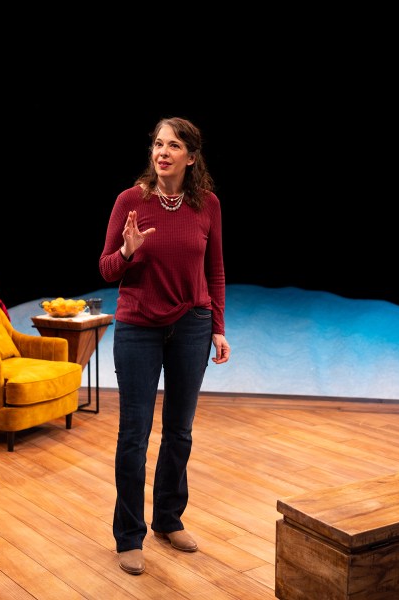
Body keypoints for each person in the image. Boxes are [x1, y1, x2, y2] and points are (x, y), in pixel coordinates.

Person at [99, 116, 231, 576]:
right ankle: (128, 536)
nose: (163, 152)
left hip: (192, 325)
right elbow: (106, 269)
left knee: (179, 431)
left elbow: (215, 271)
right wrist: (128, 250)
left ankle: (169, 519)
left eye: (174, 146)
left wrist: (217, 326)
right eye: (158, 144)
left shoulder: (208, 204)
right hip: (138, 327)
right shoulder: (130, 201)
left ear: (191, 157)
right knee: (133, 435)